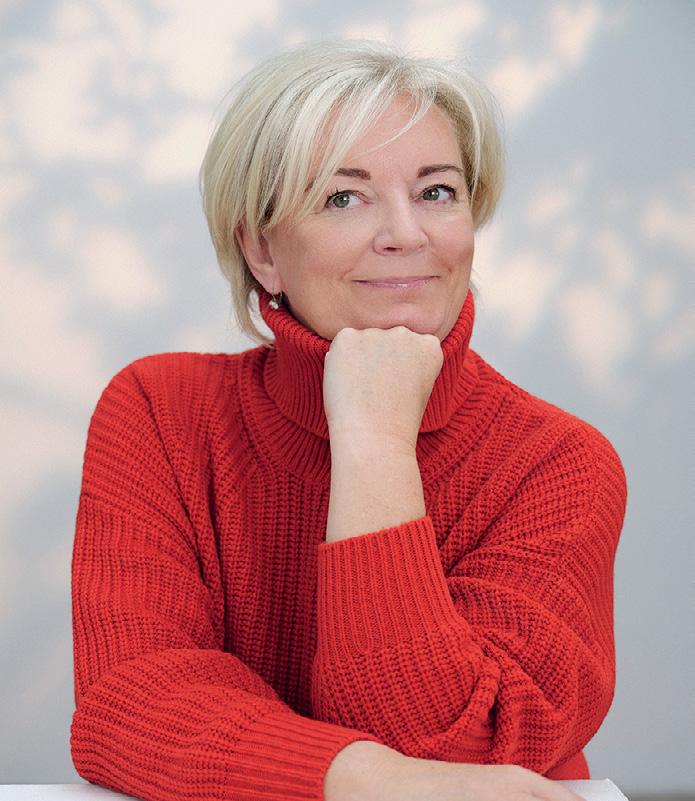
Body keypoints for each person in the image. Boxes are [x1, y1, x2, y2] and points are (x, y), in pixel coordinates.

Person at [70, 39, 627, 801]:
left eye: (436, 191)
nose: (406, 233)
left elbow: (451, 743)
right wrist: (361, 775)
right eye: (343, 197)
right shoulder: (160, 410)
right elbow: (130, 702)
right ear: (261, 249)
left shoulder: (558, 462)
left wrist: (375, 442)